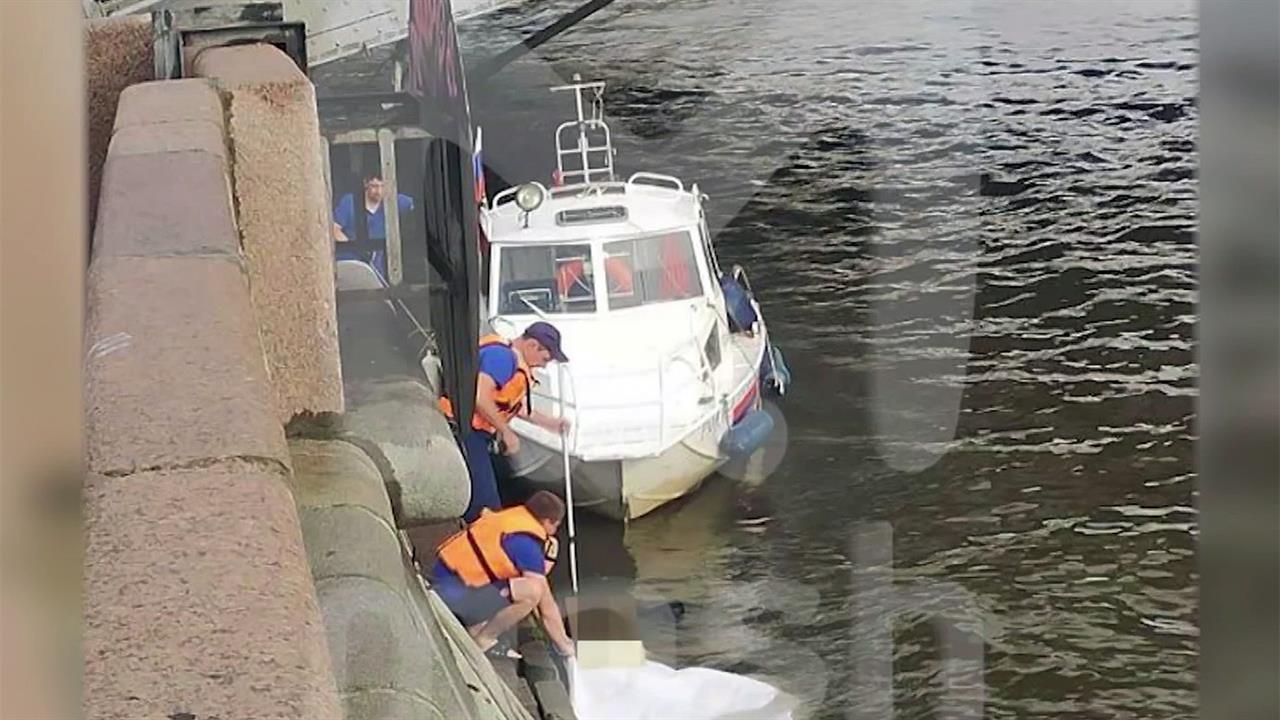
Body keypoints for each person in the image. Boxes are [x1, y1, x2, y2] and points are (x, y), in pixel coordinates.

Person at [439, 321, 571, 521]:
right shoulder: (501, 358)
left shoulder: (511, 359)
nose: (544, 365)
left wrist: (549, 423)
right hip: (464, 429)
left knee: (499, 483)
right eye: (545, 358)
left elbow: (511, 405)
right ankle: (482, 530)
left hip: (477, 433)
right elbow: (480, 396)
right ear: (532, 345)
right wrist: (506, 432)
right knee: (485, 504)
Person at [431, 491, 576, 659]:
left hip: (443, 579)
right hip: (452, 598)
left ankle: (474, 624)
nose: (554, 531)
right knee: (532, 591)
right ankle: (483, 640)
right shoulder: (527, 546)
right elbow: (545, 604)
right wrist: (565, 645)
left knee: (521, 585)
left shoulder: (510, 518)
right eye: (556, 526)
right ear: (547, 521)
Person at [332, 173, 414, 277]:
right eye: (375, 186)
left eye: (383, 186)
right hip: (349, 263)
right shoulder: (349, 201)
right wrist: (353, 248)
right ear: (366, 184)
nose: (379, 191)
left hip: (375, 268)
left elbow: (416, 205)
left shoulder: (393, 201)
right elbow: (334, 229)